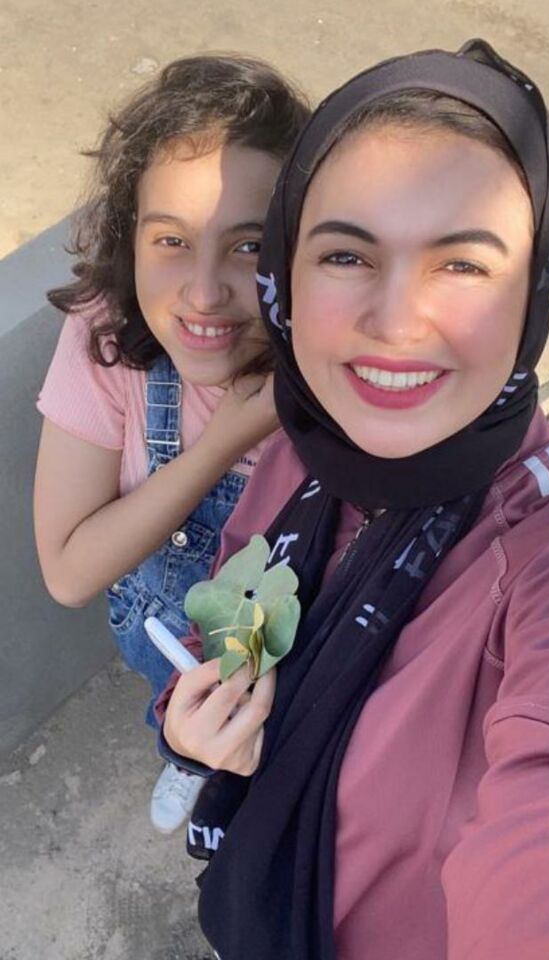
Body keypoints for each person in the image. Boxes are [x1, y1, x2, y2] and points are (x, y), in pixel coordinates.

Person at [158, 41, 549, 959]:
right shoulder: (302, 443)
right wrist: (192, 718)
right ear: (288, 276)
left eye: (463, 266)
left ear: (535, 292)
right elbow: (233, 612)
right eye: (346, 254)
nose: (395, 322)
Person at [33, 55, 309, 834]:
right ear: (131, 239)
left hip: (301, 682)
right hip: (174, 666)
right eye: (172, 240)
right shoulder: (108, 334)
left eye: (249, 247)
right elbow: (68, 571)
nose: (205, 292)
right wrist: (220, 446)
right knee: (191, 730)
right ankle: (186, 760)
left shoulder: (338, 361)